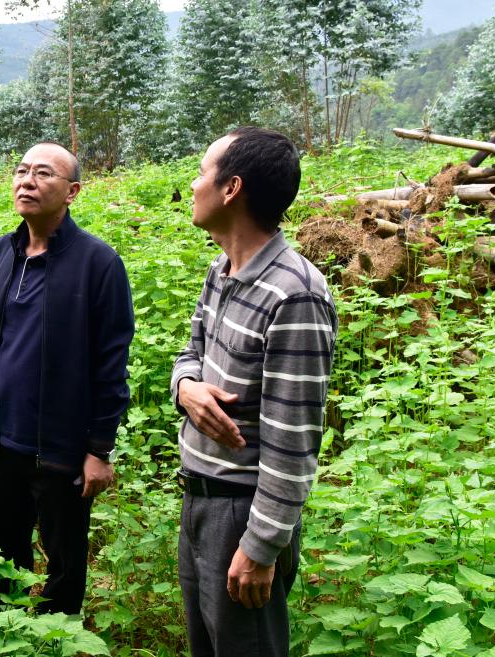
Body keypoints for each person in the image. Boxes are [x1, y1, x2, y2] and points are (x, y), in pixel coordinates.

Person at [170, 127, 337, 657]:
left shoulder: (296, 295)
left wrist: (261, 546)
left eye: (202, 172)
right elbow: (190, 353)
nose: (193, 185)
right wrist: (187, 389)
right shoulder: (222, 269)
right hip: (199, 500)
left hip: (241, 515)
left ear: (231, 188)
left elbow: (294, 441)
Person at [0, 141, 135, 614]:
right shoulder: (1, 253)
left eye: (43, 173)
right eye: (21, 171)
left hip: (61, 448)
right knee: (1, 552)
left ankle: (57, 635)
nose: (27, 181)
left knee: (64, 560)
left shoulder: (98, 263)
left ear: (72, 191)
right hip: (0, 441)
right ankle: (4, 632)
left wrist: (99, 449)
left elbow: (111, 363)